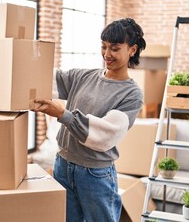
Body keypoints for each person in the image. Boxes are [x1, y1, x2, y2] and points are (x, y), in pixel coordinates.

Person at [31, 18, 146, 222]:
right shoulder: (84, 76)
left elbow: (105, 135)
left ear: (132, 50)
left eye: (115, 48)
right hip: (63, 166)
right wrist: (31, 54)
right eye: (104, 47)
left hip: (95, 175)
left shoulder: (132, 94)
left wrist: (63, 114)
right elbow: (43, 79)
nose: (107, 54)